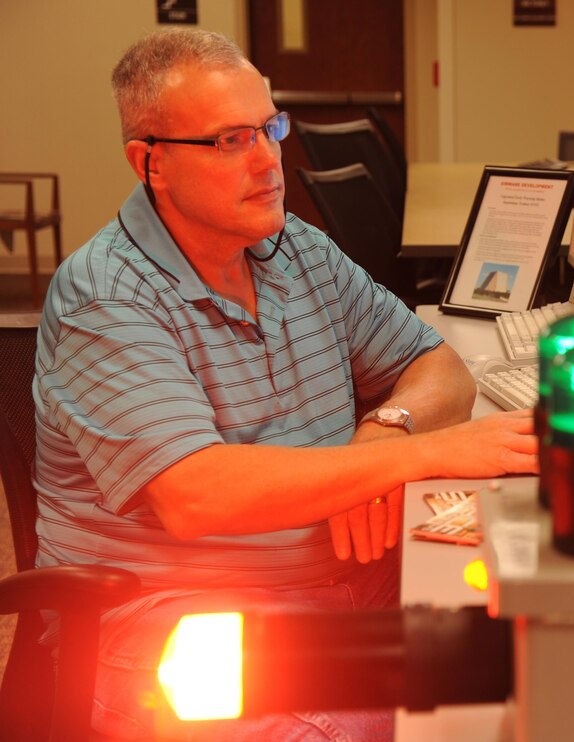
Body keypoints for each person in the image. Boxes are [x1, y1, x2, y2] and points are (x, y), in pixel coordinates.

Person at [33, 27, 536, 740]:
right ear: (150, 163)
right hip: (179, 633)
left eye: (270, 128)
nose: (270, 160)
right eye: (229, 141)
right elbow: (195, 493)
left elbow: (439, 368)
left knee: (533, 652)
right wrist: (415, 457)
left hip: (340, 592)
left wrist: (383, 430)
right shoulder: (104, 298)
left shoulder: (293, 247)